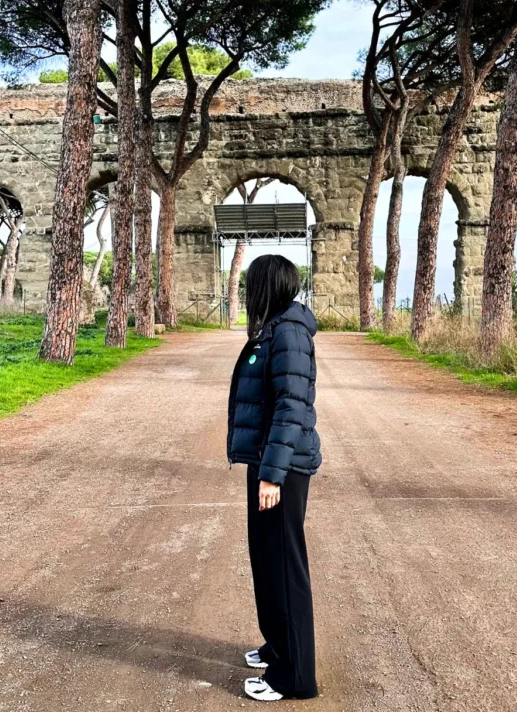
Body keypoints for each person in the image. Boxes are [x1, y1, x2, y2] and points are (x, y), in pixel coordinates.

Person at [226, 253, 322, 701]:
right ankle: (279, 647)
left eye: (251, 283)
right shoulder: (275, 326)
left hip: (281, 468)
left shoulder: (289, 332)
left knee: (284, 567)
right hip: (267, 461)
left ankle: (295, 677)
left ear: (268, 285)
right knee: (266, 559)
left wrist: (273, 476)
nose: (247, 291)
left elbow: (291, 407)